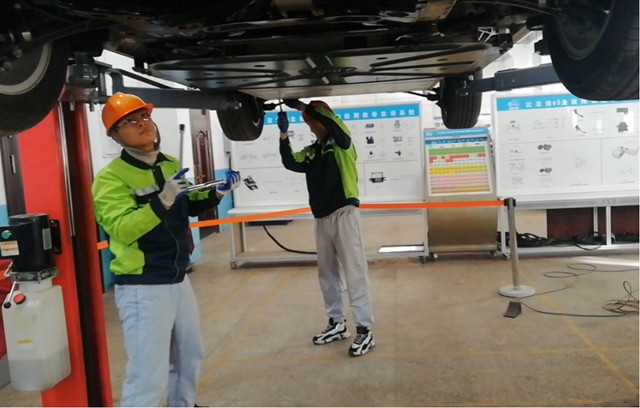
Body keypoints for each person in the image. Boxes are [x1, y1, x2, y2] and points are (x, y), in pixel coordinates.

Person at [91, 92, 241, 406]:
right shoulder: (110, 178)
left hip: (177, 276)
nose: (142, 124)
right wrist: (161, 201)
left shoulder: (169, 163)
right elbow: (122, 229)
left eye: (144, 116)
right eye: (130, 121)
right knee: (148, 374)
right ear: (115, 134)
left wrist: (217, 193)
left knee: (189, 355)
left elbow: (185, 206)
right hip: (143, 284)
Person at [277, 99, 375, 357]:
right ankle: (337, 324)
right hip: (322, 218)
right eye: (309, 124)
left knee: (355, 272)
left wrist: (303, 107)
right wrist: (284, 136)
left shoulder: (342, 143)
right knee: (327, 274)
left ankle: (365, 330)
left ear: (325, 119)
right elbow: (292, 162)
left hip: (344, 213)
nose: (312, 127)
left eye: (314, 122)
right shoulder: (313, 151)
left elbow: (332, 123)